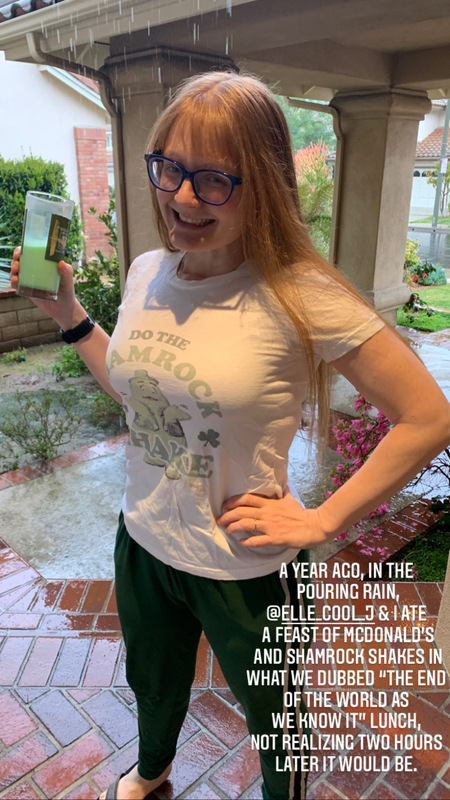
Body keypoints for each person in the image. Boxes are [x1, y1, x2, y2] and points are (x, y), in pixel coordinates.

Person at [11, 70, 450, 800]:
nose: (181, 197)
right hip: (145, 540)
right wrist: (70, 318)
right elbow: (139, 395)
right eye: (171, 169)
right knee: (152, 681)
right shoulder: (149, 270)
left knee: (273, 715)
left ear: (266, 185)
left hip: (247, 567)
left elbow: (429, 416)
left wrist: (322, 519)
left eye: (214, 179)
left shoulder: (299, 292)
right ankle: (151, 775)